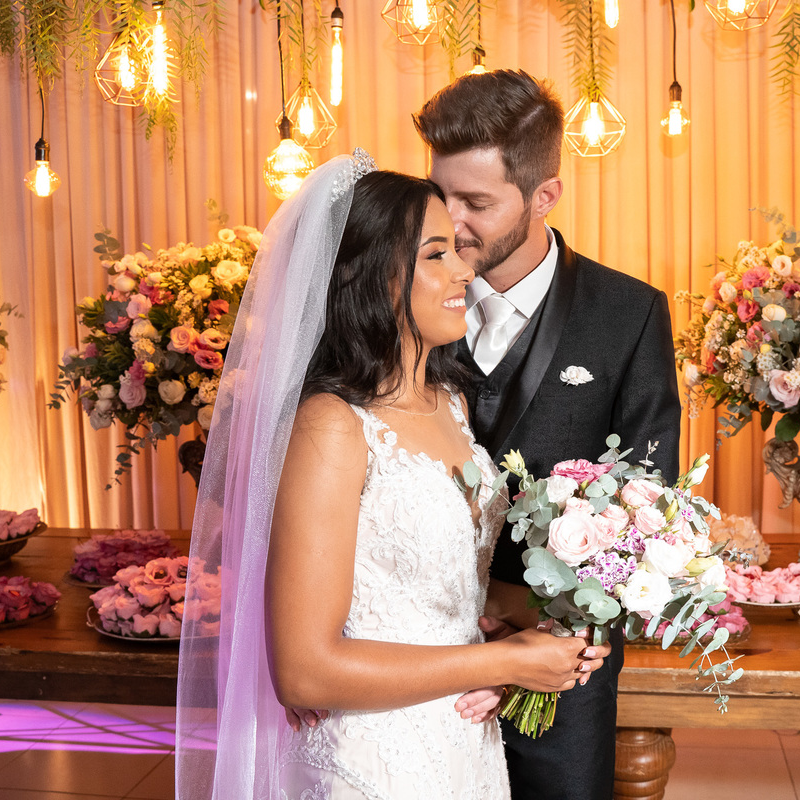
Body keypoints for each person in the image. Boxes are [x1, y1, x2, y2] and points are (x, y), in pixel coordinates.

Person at [174, 153, 607, 800]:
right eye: (436, 255)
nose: (465, 270)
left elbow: (451, 587)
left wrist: (566, 618)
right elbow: (305, 671)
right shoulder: (332, 426)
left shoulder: (451, 405)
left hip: (462, 745)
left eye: (458, 250)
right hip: (368, 757)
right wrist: (504, 661)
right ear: (372, 278)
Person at [414, 70, 683, 800]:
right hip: (412, 654)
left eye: (477, 202)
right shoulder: (400, 299)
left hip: (564, 670)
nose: (453, 223)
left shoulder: (629, 314)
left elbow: (646, 506)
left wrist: (538, 646)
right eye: (442, 196)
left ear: (544, 194)